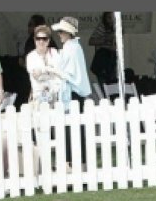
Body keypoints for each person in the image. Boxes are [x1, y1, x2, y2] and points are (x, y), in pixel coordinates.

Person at [52, 16, 91, 168]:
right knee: (74, 128)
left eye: (61, 31)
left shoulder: (71, 48)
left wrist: (53, 70)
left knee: (73, 128)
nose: (59, 34)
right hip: (74, 93)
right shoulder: (73, 47)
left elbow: (68, 73)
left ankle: (75, 163)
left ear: (68, 32)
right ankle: (76, 162)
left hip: (74, 94)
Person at [26, 25, 62, 107]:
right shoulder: (31, 57)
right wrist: (51, 70)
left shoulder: (54, 53)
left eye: (44, 39)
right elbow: (36, 76)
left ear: (48, 40)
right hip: (38, 98)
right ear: (34, 39)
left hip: (55, 97)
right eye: (38, 38)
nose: (41, 41)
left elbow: (60, 72)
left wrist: (43, 70)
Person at [89, 12, 119, 85]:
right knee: (103, 83)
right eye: (109, 18)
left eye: (112, 18)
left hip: (111, 60)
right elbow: (91, 41)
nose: (111, 20)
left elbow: (115, 47)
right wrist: (105, 40)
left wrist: (103, 44)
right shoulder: (102, 27)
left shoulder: (118, 27)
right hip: (102, 61)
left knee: (111, 83)